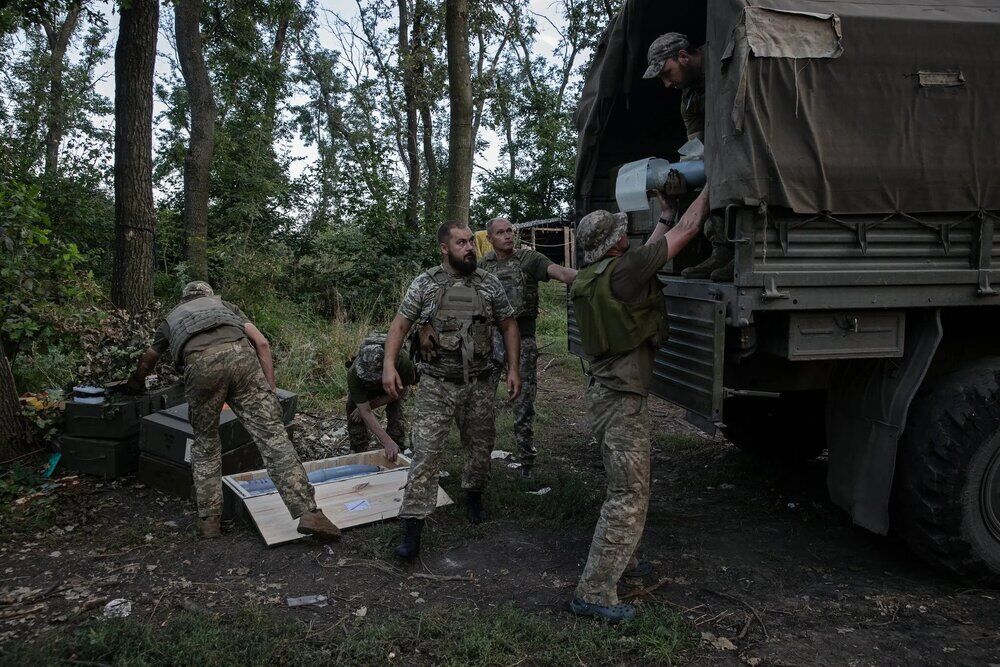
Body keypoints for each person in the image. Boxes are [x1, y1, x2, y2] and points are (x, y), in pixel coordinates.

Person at [568, 202, 705, 623]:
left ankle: (621, 561)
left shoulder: (597, 275)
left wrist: (662, 215)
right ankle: (592, 591)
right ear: (615, 243)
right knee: (628, 494)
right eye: (622, 232)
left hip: (608, 394)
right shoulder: (626, 272)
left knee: (626, 487)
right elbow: (687, 228)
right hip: (620, 401)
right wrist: (716, 178)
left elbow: (651, 247)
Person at [126, 281, 340, 541]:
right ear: (209, 296)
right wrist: (270, 391)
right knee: (272, 437)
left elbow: (149, 359)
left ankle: (209, 523)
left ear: (184, 300)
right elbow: (261, 343)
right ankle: (309, 513)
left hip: (201, 364)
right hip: (242, 358)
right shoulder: (224, 306)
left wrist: (136, 382)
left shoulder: (172, 318)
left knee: (205, 445)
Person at [382, 222, 522, 560]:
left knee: (479, 448)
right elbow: (401, 324)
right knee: (426, 454)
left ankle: (473, 495)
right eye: (461, 243)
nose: (470, 247)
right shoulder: (426, 284)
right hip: (435, 385)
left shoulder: (488, 284)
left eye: (471, 241)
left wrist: (514, 369)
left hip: (479, 383)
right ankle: (413, 528)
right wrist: (389, 364)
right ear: (444, 248)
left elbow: (508, 324)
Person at [480, 217, 577, 477]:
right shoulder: (483, 266)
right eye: (500, 233)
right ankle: (480, 461)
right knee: (481, 401)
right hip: (491, 340)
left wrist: (594, 278)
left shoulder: (530, 260)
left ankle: (527, 463)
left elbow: (562, 273)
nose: (507, 236)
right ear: (489, 239)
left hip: (523, 339)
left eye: (509, 231)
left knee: (523, 402)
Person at [643, 31, 732, 282]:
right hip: (718, 157)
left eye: (666, 74)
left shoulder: (726, 62)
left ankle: (747, 253)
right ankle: (721, 251)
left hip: (745, 148)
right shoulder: (689, 98)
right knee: (704, 178)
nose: (667, 84)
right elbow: (696, 146)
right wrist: (683, 174)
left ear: (683, 56)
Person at [345, 333, 417, 460]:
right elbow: (365, 412)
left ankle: (397, 450)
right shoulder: (354, 374)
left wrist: (388, 442)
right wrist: (363, 409)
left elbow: (397, 394)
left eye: (374, 379)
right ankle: (359, 450)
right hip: (366, 388)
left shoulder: (403, 362)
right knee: (353, 410)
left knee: (397, 415)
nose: (372, 381)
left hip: (393, 384)